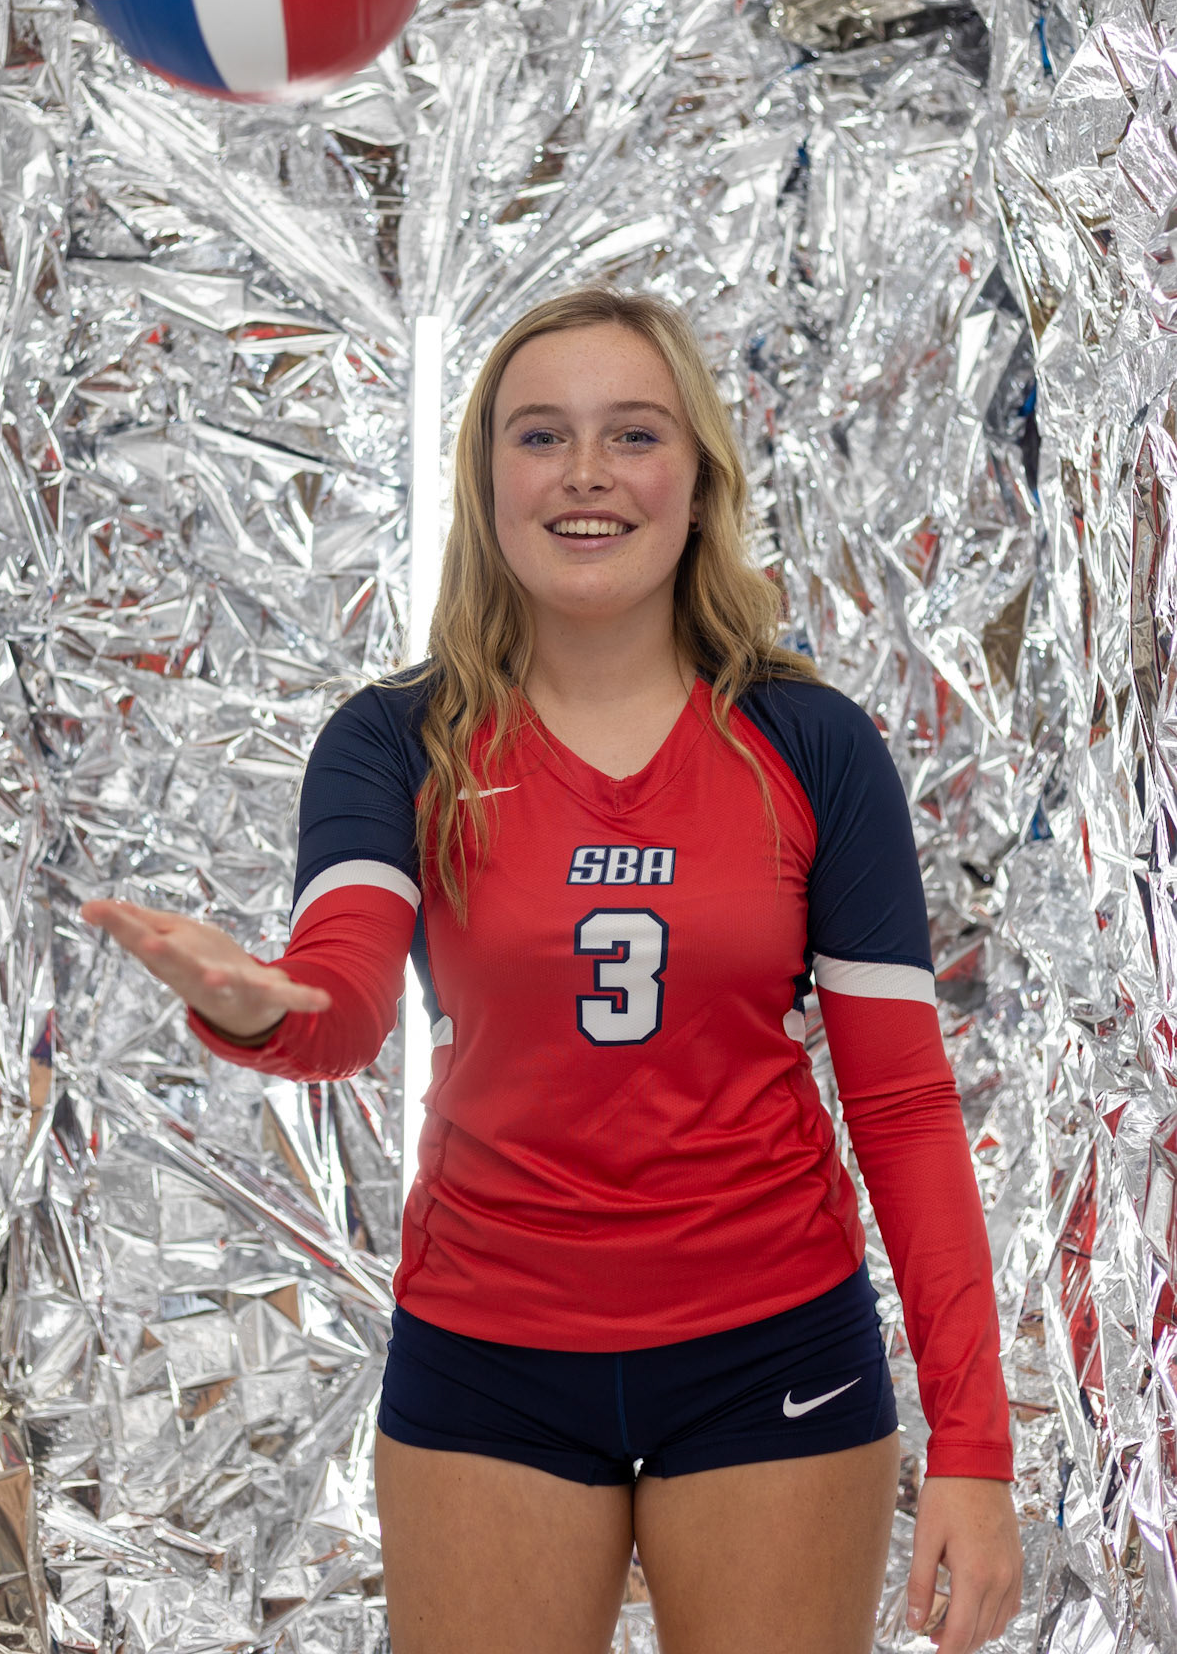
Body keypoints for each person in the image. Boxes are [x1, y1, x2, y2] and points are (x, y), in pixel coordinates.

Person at [82, 287, 1024, 1654]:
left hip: (771, 1348)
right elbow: (344, 994)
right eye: (540, 436)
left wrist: (974, 1450)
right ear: (485, 483)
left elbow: (904, 1107)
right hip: (487, 1360)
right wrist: (261, 1008)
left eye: (632, 434)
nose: (586, 472)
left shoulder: (813, 744)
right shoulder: (396, 740)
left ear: (698, 479)